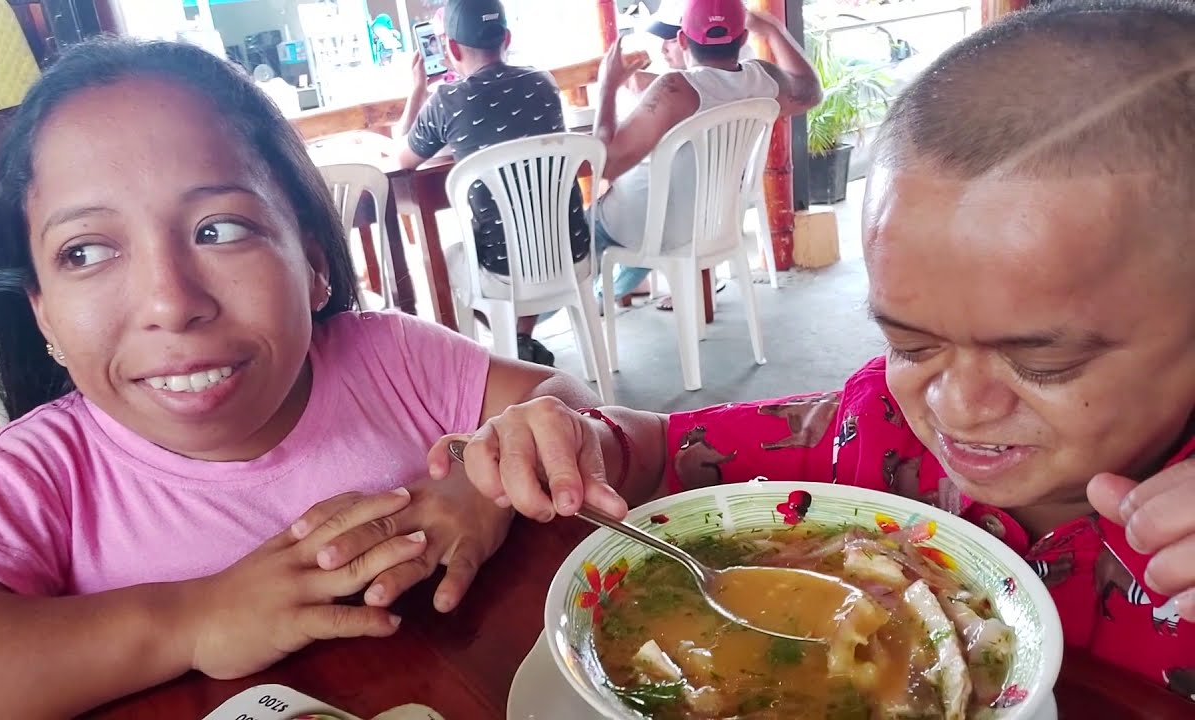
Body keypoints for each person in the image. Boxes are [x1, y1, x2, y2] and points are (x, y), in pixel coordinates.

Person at [438, 0, 1195, 701]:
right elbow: (665, 445)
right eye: (911, 342)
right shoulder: (875, 426)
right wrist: (574, 444)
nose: (957, 405)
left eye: (1044, 363)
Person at [0, 37, 602, 717]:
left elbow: (554, 400)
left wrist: (482, 486)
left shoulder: (391, 359)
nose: (171, 302)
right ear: (45, 318)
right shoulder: (37, 475)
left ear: (310, 263)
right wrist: (192, 620)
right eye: (87, 250)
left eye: (218, 230)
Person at [393, 0, 591, 367]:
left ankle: (488, 359)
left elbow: (402, 158)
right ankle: (520, 340)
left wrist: (416, 89)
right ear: (507, 38)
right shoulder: (543, 83)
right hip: (568, 250)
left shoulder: (447, 100)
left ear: (450, 48)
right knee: (527, 232)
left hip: (504, 268)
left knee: (448, 257)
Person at [592, 0, 822, 304]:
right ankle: (607, 291)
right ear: (742, 39)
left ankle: (542, 315)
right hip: (711, 227)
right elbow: (810, 91)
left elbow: (605, 166)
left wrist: (607, 87)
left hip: (648, 229)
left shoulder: (674, 87)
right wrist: (773, 30)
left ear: (684, 39)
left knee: (576, 229)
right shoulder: (764, 80)